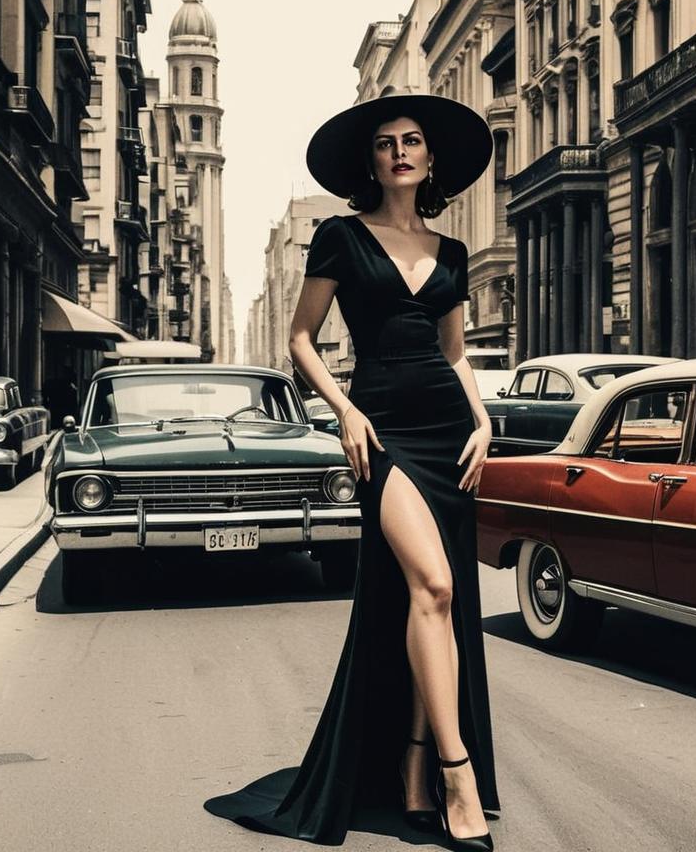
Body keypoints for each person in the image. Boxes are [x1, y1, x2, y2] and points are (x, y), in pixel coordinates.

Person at [203, 93, 499, 850]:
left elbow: (456, 353)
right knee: (433, 586)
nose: (399, 151)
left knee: (428, 599)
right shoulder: (339, 237)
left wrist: (486, 420)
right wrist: (344, 411)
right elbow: (302, 339)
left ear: (431, 161)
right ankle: (455, 775)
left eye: (412, 141)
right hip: (383, 430)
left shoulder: (452, 254)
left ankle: (411, 768)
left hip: (448, 429)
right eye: (384, 143)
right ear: (369, 162)